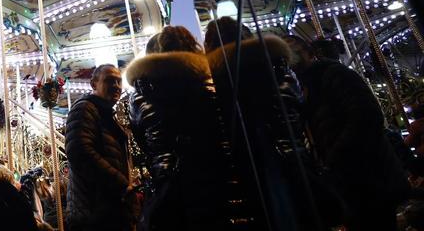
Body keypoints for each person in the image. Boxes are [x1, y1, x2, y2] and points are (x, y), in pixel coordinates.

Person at [206, 23, 338, 230]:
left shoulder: (228, 80)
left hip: (262, 167)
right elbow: (301, 112)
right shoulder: (281, 68)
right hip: (297, 159)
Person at [286, 35, 409, 231]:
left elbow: (367, 116)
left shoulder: (334, 74)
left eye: (295, 54)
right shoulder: (307, 87)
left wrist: (336, 155)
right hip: (353, 178)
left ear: (310, 53)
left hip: (367, 175)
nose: (292, 61)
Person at [126, 26, 240, 230]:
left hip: (171, 183)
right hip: (219, 179)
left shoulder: (141, 94)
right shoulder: (213, 84)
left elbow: (143, 142)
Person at [65, 64, 133, 231]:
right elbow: (80, 152)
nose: (116, 86)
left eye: (119, 81)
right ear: (94, 84)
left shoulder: (104, 113)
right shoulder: (85, 108)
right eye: (110, 81)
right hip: (94, 211)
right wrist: (121, 183)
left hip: (105, 208)